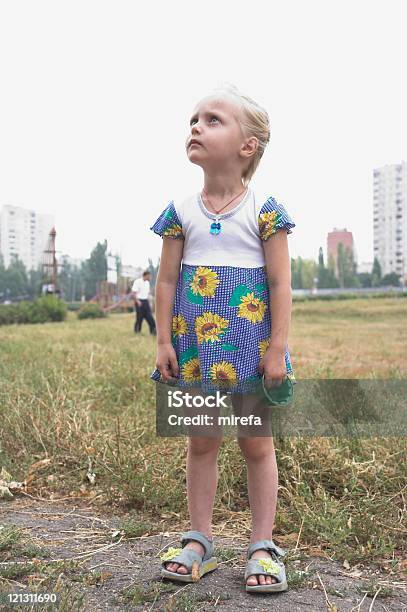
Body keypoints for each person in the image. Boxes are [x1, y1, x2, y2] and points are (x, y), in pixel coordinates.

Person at [149, 83, 297, 594]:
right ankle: (199, 540)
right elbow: (166, 281)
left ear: (247, 145)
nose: (195, 125)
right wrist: (163, 341)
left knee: (256, 444)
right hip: (195, 351)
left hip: (251, 352)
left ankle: (262, 544)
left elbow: (280, 284)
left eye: (212, 119)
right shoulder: (180, 212)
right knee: (201, 441)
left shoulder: (265, 211)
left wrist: (276, 348)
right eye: (193, 118)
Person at [131, 271, 156, 335]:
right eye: (149, 276)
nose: (150, 277)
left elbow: (147, 294)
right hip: (139, 302)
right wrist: (137, 301)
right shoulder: (137, 281)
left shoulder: (147, 283)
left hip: (145, 302)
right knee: (139, 318)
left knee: (150, 317)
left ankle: (153, 332)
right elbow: (133, 293)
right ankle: (137, 332)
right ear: (145, 275)